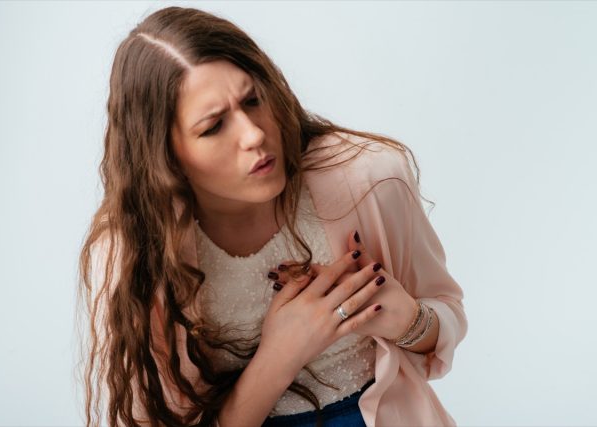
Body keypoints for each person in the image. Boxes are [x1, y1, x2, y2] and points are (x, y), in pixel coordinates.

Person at [77, 6, 467, 427]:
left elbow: (446, 317)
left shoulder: (370, 177)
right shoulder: (133, 256)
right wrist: (281, 355)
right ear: (165, 155)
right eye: (213, 126)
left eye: (251, 100)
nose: (254, 134)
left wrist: (407, 319)